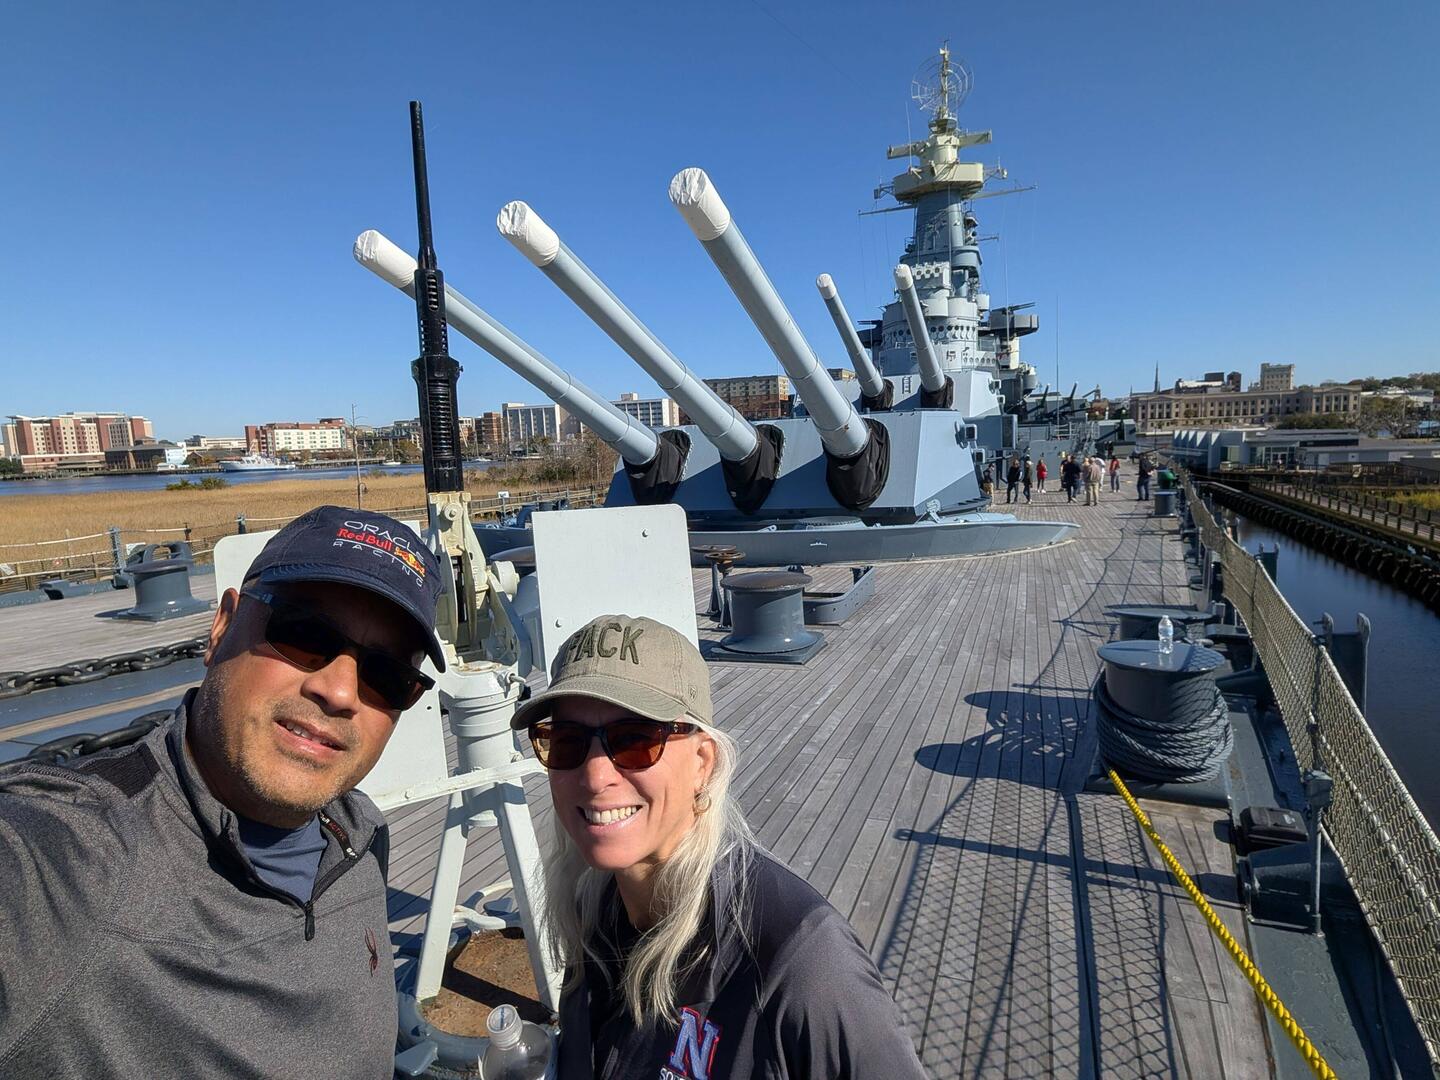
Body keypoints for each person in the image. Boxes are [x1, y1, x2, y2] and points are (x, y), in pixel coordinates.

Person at [0, 506, 447, 1079]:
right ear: (221, 626)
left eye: (385, 674)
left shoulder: (358, 834)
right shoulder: (71, 863)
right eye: (304, 634)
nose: (339, 691)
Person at [522, 615, 928, 1078]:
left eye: (634, 740)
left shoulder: (802, 965)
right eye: (568, 742)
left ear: (702, 763)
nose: (595, 776)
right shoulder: (592, 909)